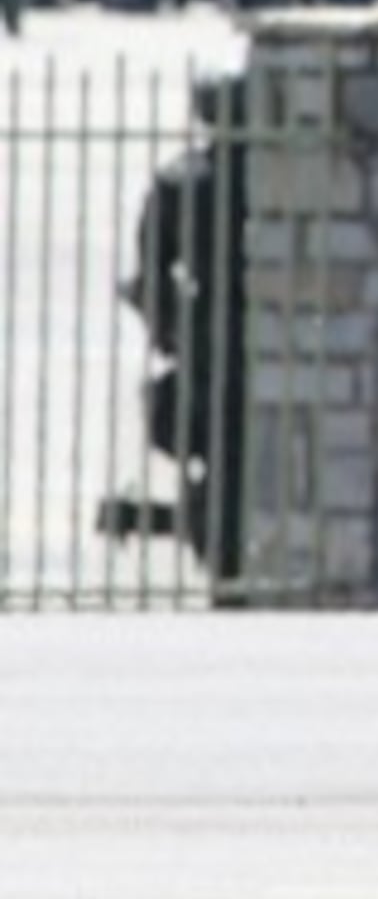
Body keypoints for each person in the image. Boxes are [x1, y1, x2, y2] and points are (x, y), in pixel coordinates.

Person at [99, 76, 254, 584]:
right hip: (249, 338)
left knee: (218, 450)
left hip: (205, 340)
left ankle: (193, 531)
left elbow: (150, 277)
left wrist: (172, 329)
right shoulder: (278, 175)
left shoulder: (179, 181)